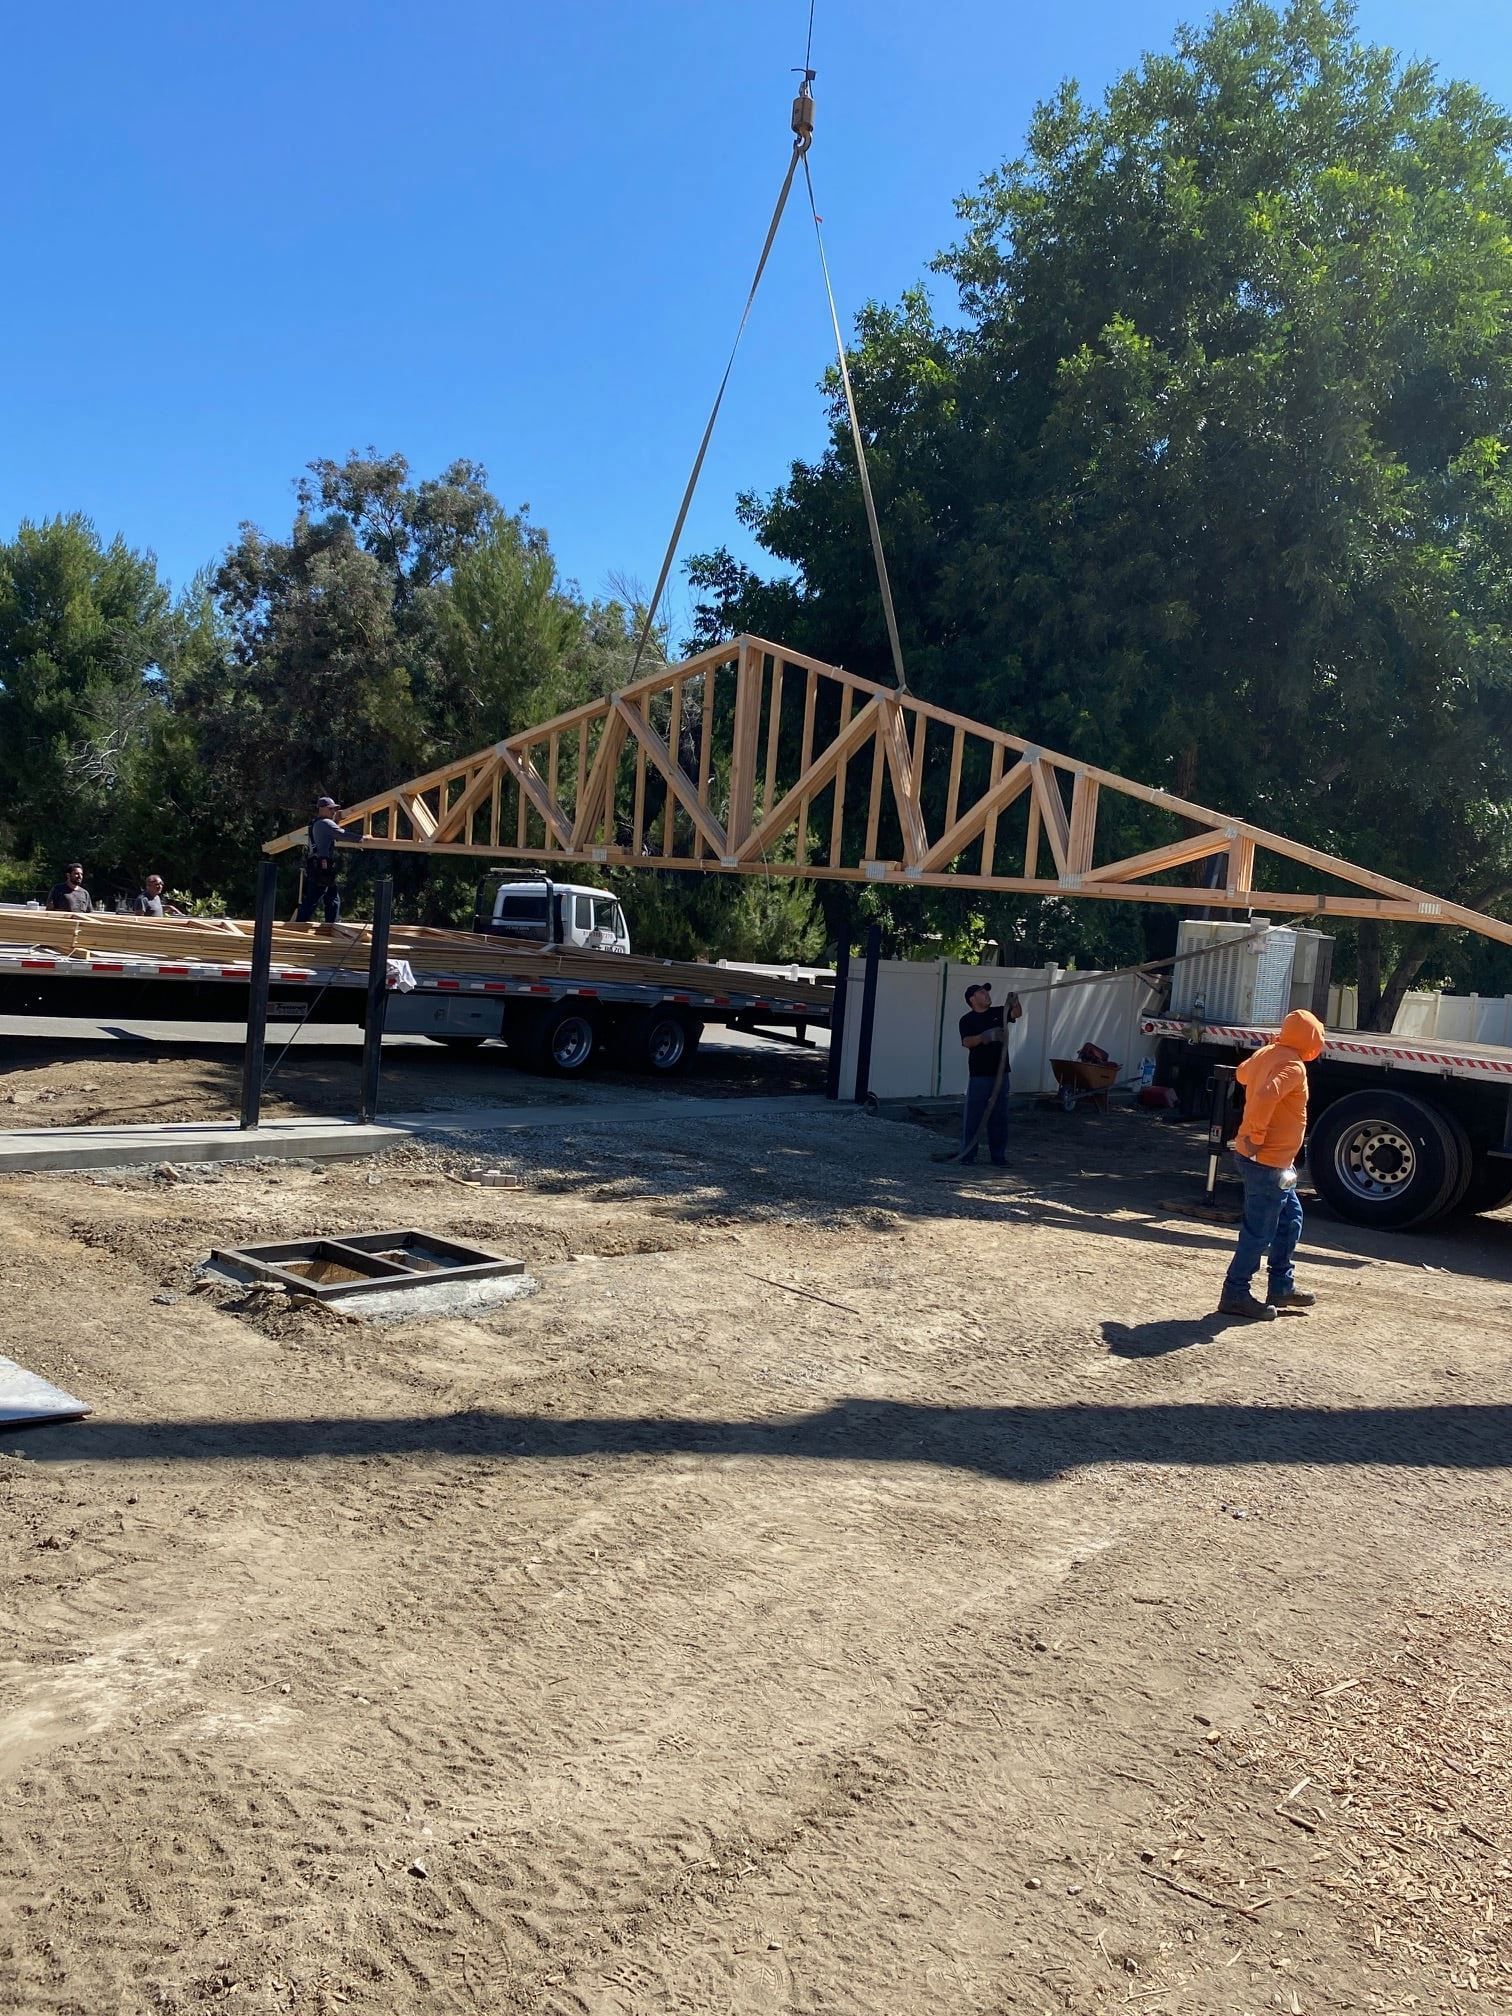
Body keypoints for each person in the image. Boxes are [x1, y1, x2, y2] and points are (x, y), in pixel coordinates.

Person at [1219, 1008, 1327, 1321]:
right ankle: (1235, 1293)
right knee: (1259, 1231)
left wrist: (1264, 1059)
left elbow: (1241, 1074)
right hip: (1266, 1162)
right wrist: (1254, 1134)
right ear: (1311, 1040)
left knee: (1290, 1218)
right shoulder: (1293, 1066)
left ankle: (1281, 1286)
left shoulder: (1268, 1054)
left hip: (1273, 1164)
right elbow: (1266, 1095)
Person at [958, 979, 1023, 1166]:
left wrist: (1015, 1001)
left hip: (1001, 1073)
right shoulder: (967, 1020)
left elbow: (1016, 1013)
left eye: (986, 992)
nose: (986, 994)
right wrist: (985, 1037)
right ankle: (968, 1154)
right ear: (972, 999)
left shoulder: (998, 1012)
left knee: (999, 1116)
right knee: (974, 1116)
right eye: (981, 992)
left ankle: (998, 1156)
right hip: (979, 1074)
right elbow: (966, 1042)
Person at [296, 795, 346, 924]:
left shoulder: (317, 823)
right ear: (321, 809)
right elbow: (340, 834)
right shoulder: (323, 823)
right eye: (330, 809)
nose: (333, 812)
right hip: (321, 865)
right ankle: (299, 924)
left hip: (320, 865)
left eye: (334, 809)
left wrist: (336, 821)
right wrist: (362, 838)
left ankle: (331, 925)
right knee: (315, 896)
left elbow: (330, 832)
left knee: (332, 896)